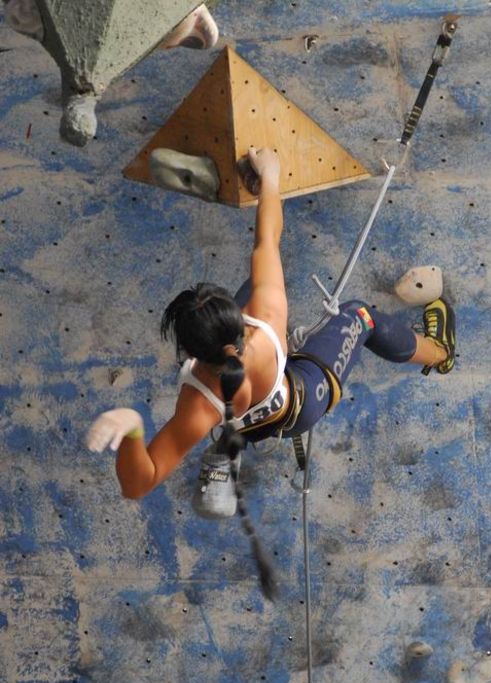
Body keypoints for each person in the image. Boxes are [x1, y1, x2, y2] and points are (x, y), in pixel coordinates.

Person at [87, 146, 455, 597]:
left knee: (230, 418)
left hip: (237, 411)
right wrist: (272, 179)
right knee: (361, 316)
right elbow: (268, 239)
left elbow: (138, 483)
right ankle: (438, 353)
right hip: (301, 398)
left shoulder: (196, 400)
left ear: (191, 350)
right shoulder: (266, 311)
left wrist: (131, 429)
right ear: (235, 325)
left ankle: (229, 447)